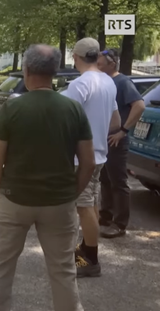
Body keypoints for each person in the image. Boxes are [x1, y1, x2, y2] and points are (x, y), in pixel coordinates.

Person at [0, 44, 93, 311]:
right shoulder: (72, 108)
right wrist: (72, 193)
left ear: (26, 70)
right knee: (63, 270)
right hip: (59, 204)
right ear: (54, 73)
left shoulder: (12, 108)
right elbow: (88, 162)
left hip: (14, 200)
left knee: (0, 267)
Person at [62, 37, 121, 278]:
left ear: (76, 57)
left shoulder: (80, 84)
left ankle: (91, 259)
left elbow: (63, 118)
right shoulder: (108, 82)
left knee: (83, 206)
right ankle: (86, 246)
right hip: (99, 155)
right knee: (92, 202)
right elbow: (115, 121)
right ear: (97, 56)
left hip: (80, 158)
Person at [97, 48, 145, 238]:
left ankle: (120, 224)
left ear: (112, 64)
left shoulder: (123, 82)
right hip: (104, 139)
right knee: (105, 179)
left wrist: (123, 131)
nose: (98, 67)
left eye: (101, 64)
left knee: (118, 182)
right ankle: (106, 215)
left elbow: (139, 105)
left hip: (116, 141)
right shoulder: (105, 82)